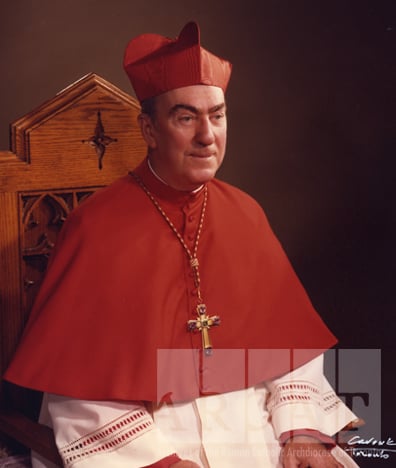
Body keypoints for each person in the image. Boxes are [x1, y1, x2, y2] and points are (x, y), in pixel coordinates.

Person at [5, 21, 361, 468]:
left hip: (257, 434)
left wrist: (300, 430)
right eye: (186, 117)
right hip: (148, 441)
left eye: (217, 114)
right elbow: (78, 392)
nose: (207, 136)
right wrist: (162, 463)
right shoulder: (95, 227)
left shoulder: (246, 214)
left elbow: (288, 346)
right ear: (149, 130)